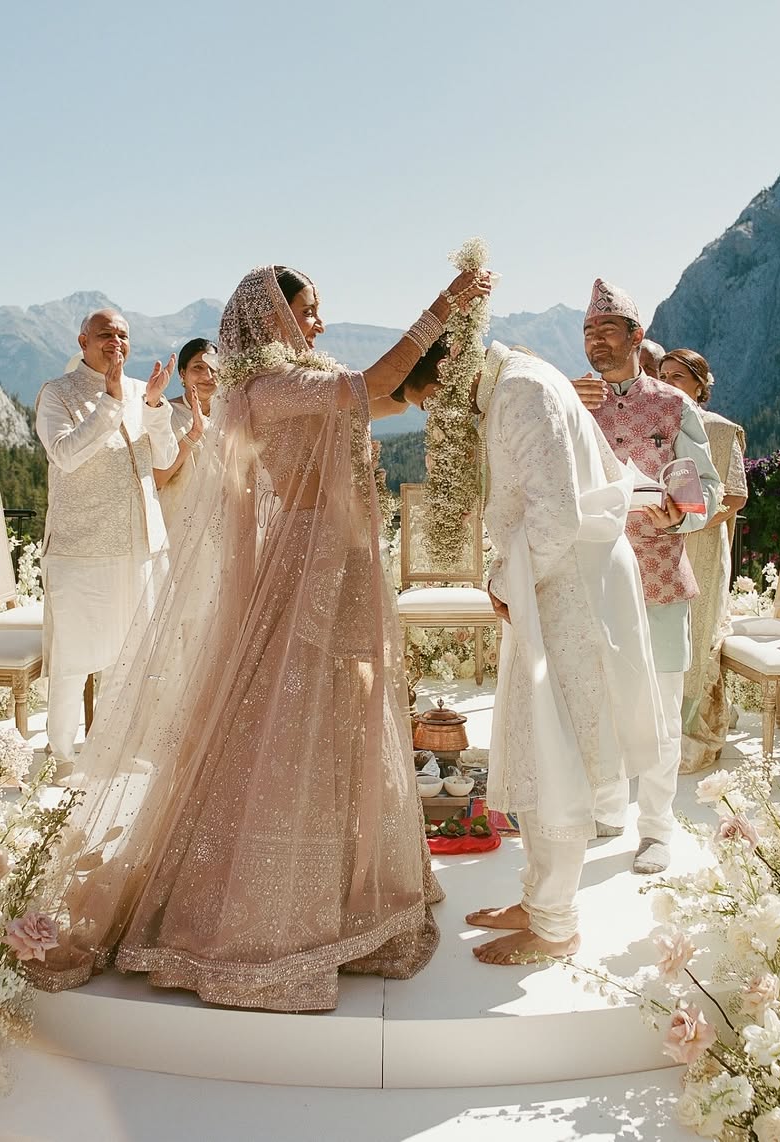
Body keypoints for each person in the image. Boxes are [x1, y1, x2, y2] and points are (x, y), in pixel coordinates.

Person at [27, 262, 492, 1011]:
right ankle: (278, 904)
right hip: (306, 567)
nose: (318, 324)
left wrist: (461, 350)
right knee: (294, 720)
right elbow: (376, 386)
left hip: (335, 560)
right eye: (307, 311)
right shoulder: (268, 388)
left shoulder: (292, 380)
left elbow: (391, 396)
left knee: (344, 711)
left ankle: (338, 881)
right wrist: (443, 307)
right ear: (271, 317)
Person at [398, 340, 665, 964]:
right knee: (533, 738)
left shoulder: (520, 392)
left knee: (557, 750)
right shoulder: (511, 384)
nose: (440, 416)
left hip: (565, 586)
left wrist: (498, 580)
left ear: (449, 368)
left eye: (434, 400)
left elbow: (555, 514)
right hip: (547, 582)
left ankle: (556, 925)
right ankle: (537, 899)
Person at [573, 279, 721, 874]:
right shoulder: (570, 401)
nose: (595, 342)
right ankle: (607, 809)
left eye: (607, 330)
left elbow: (706, 490)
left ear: (636, 336)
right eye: (587, 332)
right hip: (592, 576)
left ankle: (656, 828)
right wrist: (571, 411)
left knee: (661, 706)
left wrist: (677, 515)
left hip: (660, 573)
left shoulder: (673, 404)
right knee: (596, 700)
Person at [35, 308, 178, 774]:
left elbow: (166, 455)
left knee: (128, 657)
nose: (115, 341)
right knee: (74, 658)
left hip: (140, 545)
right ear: (82, 341)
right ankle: (61, 756)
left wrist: (155, 409)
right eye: (105, 334)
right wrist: (111, 402)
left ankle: (111, 750)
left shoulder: (143, 391)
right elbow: (65, 455)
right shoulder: (57, 393)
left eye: (122, 334)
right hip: (82, 547)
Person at [658, 349, 748, 773]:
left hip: (705, 545)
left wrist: (693, 519)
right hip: (658, 542)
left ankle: (691, 729)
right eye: (663, 375)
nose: (669, 382)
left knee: (699, 628)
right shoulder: (653, 420)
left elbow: (735, 495)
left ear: (700, 385)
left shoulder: (721, 430)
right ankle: (655, 726)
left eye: (679, 376)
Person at [154, 337, 218, 521]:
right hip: (179, 522)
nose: (207, 376)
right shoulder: (166, 414)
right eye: (198, 367)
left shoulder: (234, 417)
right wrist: (193, 436)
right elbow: (157, 479)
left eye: (213, 368)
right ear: (182, 374)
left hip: (226, 520)